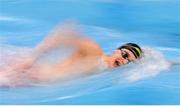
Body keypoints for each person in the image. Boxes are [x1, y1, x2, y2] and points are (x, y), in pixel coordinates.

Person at [5, 24, 143, 83]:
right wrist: (29, 61)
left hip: (34, 80)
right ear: (116, 51)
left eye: (129, 61)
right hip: (28, 75)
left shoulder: (105, 70)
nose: (124, 61)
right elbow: (63, 34)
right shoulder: (95, 52)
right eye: (125, 55)